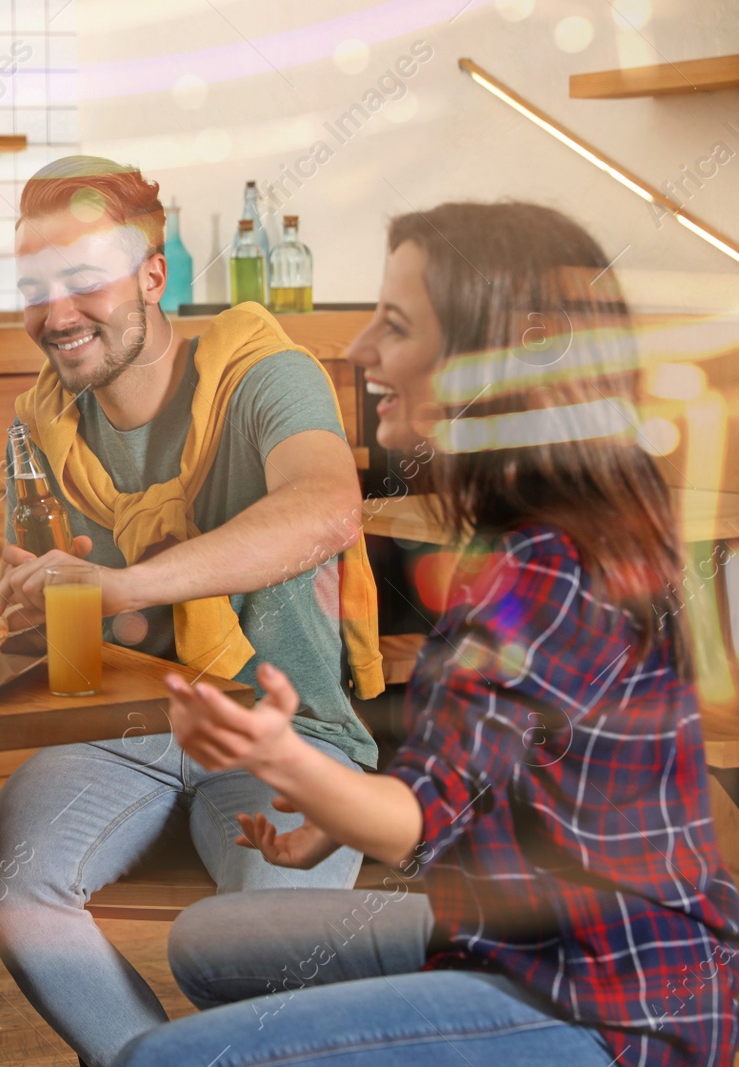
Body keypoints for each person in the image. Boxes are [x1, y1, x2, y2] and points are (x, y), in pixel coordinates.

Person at [118, 202, 739, 1067]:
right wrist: (324, 828)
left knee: (164, 1060)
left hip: (596, 997)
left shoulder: (548, 571)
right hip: (511, 932)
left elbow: (414, 822)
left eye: (396, 325)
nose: (360, 347)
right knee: (210, 940)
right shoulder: (549, 528)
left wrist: (278, 753)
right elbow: (476, 758)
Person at [0, 155, 387, 1065]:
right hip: (115, 728)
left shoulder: (264, 374)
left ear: (153, 276)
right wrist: (23, 604)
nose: (57, 314)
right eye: (35, 287)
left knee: (267, 964)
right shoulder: (36, 424)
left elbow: (326, 509)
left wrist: (121, 586)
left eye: (84, 279)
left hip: (281, 726)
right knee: (11, 886)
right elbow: (59, 618)